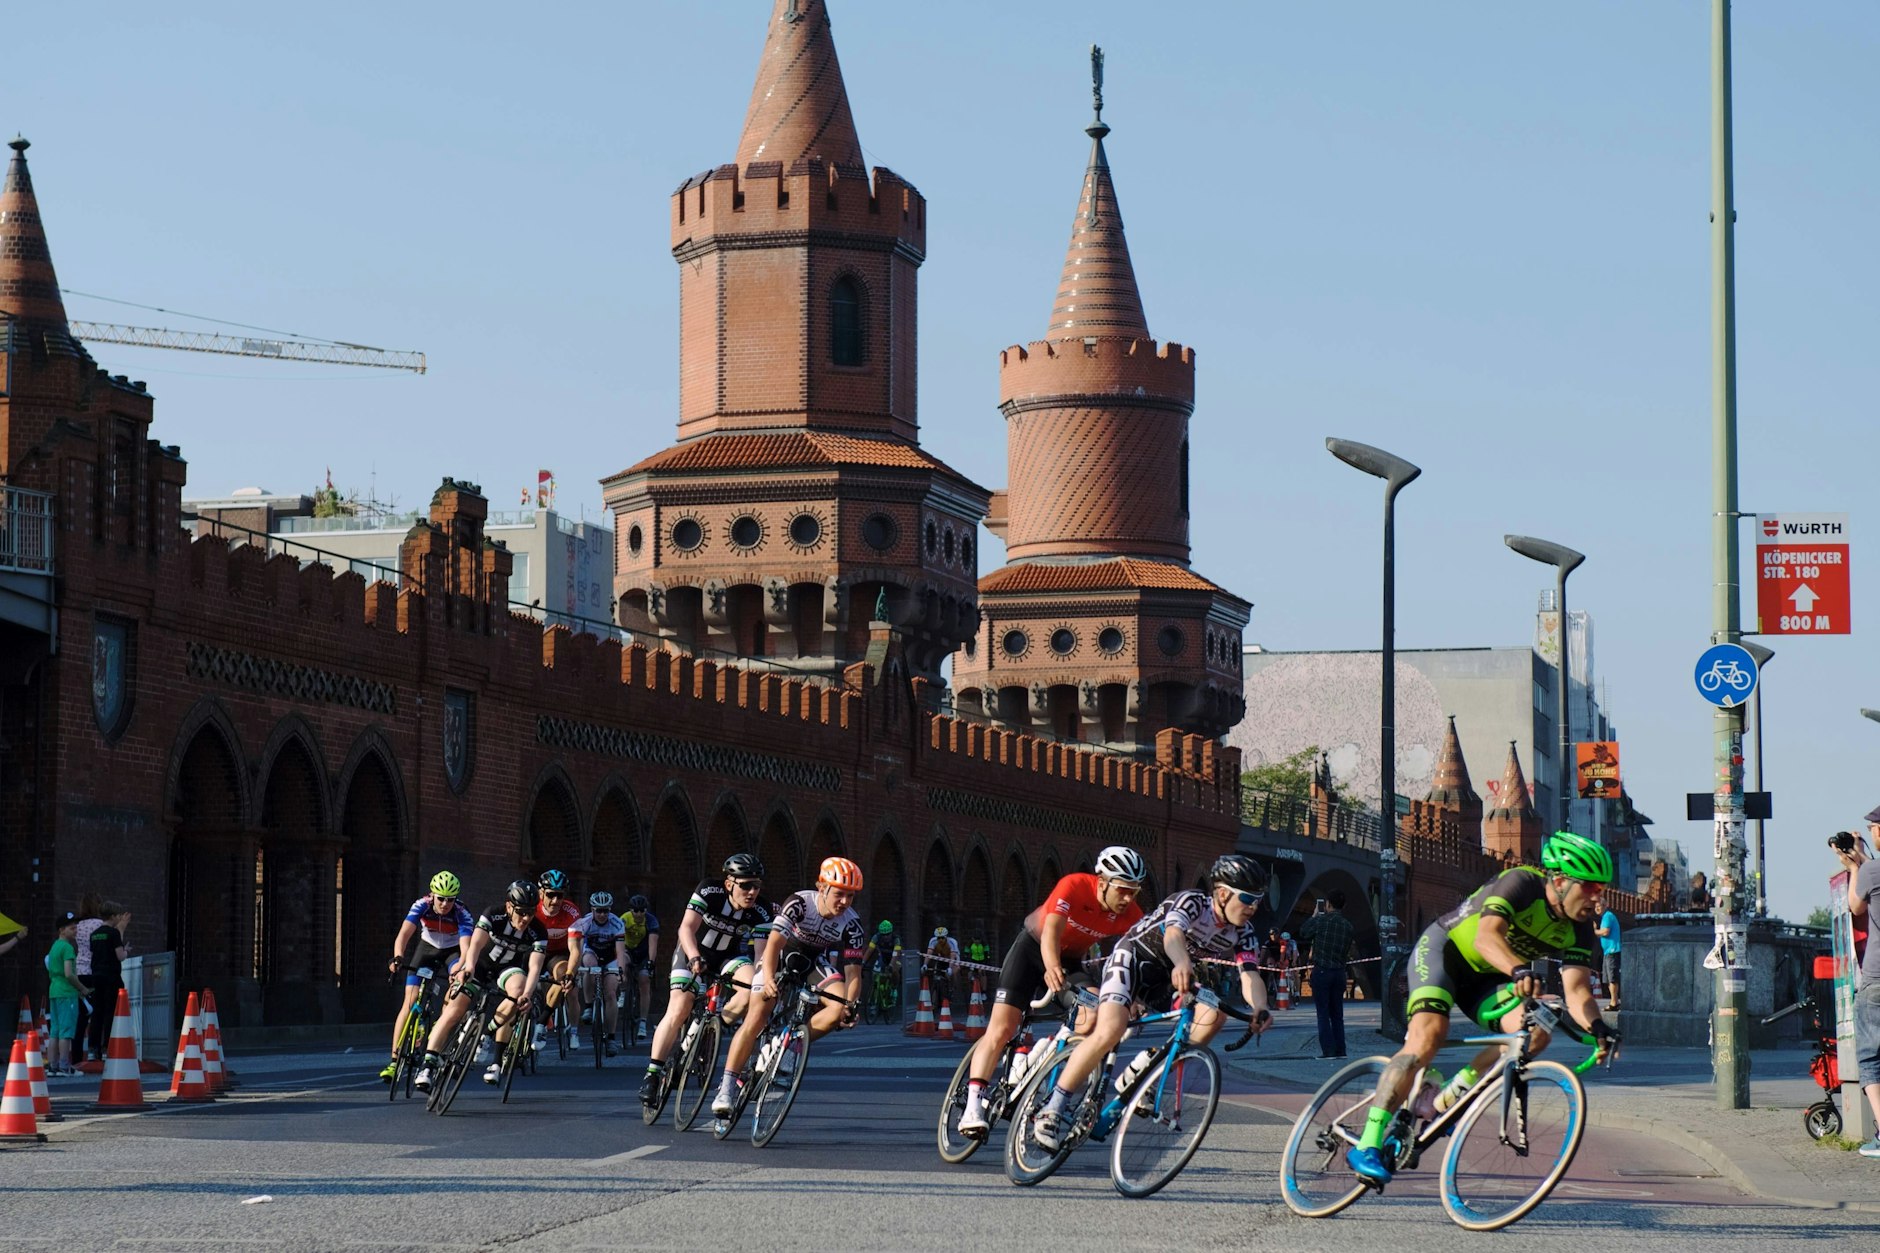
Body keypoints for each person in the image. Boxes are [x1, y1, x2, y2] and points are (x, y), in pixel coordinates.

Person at [1345, 832, 1621, 1183]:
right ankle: (1367, 1144)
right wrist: (1519, 969)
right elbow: (1486, 937)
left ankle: (1444, 1102)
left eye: (1602, 889)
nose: (1598, 897)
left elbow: (1578, 988)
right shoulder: (1521, 883)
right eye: (1591, 887)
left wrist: (1598, 1027)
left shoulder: (1579, 928)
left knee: (1534, 1034)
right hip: (1446, 954)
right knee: (1427, 1039)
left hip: (1488, 979)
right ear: (1561, 881)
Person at [1030, 854, 1274, 1152]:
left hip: (1167, 977)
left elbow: (1250, 975)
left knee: (1213, 1016)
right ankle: (1052, 1109)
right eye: (1248, 898)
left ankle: (1150, 1068)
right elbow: (1173, 935)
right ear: (1222, 894)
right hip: (1134, 960)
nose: (1253, 907)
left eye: (1258, 900)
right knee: (1111, 1029)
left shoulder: (1244, 933)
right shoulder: (1193, 903)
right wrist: (1183, 962)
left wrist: (1260, 1007)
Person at [955, 845, 1147, 1140]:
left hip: (1071, 962)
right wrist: (1051, 966)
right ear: (1103, 881)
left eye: (1134, 891)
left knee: (1096, 1014)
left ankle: (1044, 1059)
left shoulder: (1131, 913)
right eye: (1122, 889)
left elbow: (1139, 956)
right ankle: (972, 1108)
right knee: (1002, 1028)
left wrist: (1133, 997)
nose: (1128, 898)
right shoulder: (1074, 886)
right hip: (1034, 949)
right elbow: (1051, 933)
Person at [712, 857, 867, 1119]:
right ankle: (726, 1087)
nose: (844, 902)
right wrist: (769, 978)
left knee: (839, 1009)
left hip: (812, 962)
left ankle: (788, 1045)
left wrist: (851, 1005)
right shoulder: (800, 903)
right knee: (758, 1014)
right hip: (781, 955)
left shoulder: (852, 923)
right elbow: (773, 944)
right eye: (839, 894)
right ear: (822, 887)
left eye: (850, 897)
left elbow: (853, 972)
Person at [641, 853, 771, 1109]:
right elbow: (686, 928)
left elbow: (760, 956)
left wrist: (762, 980)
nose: (752, 892)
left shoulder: (761, 910)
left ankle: (711, 1026)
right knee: (679, 1007)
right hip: (694, 950)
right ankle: (653, 1074)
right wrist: (694, 958)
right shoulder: (709, 890)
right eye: (745, 885)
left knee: (749, 991)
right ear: (729, 883)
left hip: (729, 958)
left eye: (756, 885)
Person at [414, 880, 548, 1092]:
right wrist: (467, 968)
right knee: (455, 1009)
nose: (525, 918)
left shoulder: (538, 931)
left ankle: (486, 1033)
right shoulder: (493, 914)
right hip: (480, 965)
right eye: (521, 912)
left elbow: (534, 967)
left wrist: (528, 995)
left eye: (530, 913)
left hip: (508, 970)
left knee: (520, 991)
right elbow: (475, 945)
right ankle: (428, 1066)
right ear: (509, 906)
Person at [380, 871, 475, 1082]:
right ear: (432, 895)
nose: (445, 903)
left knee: (455, 988)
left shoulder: (461, 912)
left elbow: (466, 948)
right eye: (441, 898)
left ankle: (440, 1027)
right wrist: (397, 958)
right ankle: (394, 1062)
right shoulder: (421, 905)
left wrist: (460, 970)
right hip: (428, 948)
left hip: (452, 952)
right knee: (410, 1001)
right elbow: (404, 935)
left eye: (450, 899)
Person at [1832, 816, 1880, 1159]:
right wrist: (1860, 858)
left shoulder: (1870, 873)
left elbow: (1855, 905)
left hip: (1877, 978)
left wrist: (1852, 867)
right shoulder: (1873, 870)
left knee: (1871, 1056)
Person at [568, 891, 629, 1056]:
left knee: (610, 994)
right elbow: (578, 950)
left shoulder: (617, 924)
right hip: (591, 952)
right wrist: (576, 969)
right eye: (598, 910)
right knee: (589, 965)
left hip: (611, 957)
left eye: (605, 911)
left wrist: (620, 971)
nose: (602, 914)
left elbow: (620, 951)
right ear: (592, 910)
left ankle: (611, 1038)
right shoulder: (584, 923)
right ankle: (588, 1006)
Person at [1298, 890, 1355, 1059]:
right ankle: (1340, 1050)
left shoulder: (1322, 921)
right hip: (1339, 972)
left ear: (1328, 904)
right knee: (1337, 1014)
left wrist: (1315, 916)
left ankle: (1328, 1051)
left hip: (1322, 970)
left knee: (1323, 1013)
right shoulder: (1348, 926)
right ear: (1343, 906)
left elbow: (1304, 932)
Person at [532, 869, 582, 1049]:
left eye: (559, 896)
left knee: (564, 978)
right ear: (541, 893)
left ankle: (542, 1024)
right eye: (551, 895)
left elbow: (575, 949)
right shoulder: (532, 908)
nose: (555, 901)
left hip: (559, 954)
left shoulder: (571, 912)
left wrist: (570, 973)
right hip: (533, 950)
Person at [43, 911, 88, 1076]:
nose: (75, 930)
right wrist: (82, 988)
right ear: (62, 930)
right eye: (72, 928)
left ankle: (53, 1066)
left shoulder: (55, 946)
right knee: (66, 1031)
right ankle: (64, 1066)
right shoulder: (68, 948)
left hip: (54, 991)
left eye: (75, 927)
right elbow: (69, 974)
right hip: (67, 992)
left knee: (55, 1030)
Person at [85, 903, 132, 1062]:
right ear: (112, 917)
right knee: (110, 1012)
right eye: (118, 916)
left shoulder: (94, 934)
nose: (119, 918)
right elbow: (120, 956)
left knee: (97, 1012)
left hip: (96, 976)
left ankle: (92, 1049)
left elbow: (95, 953)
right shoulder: (113, 933)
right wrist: (126, 951)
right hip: (111, 977)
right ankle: (107, 1048)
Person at [622, 894, 661, 1042]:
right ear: (631, 910)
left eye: (641, 911)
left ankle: (643, 1022)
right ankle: (624, 991)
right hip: (628, 950)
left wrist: (651, 961)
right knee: (623, 962)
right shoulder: (624, 919)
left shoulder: (651, 921)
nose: (638, 914)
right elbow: (618, 940)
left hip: (644, 953)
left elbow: (653, 943)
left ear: (646, 910)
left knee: (644, 981)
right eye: (635, 911)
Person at [72, 894, 104, 1063]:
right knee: (98, 1013)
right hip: (94, 970)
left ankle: (76, 1055)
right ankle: (94, 1050)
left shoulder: (77, 926)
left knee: (81, 1016)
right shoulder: (99, 925)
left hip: (79, 970)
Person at [922, 925, 961, 1014]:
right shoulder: (933, 941)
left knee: (953, 972)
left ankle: (952, 988)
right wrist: (925, 965)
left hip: (953, 958)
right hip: (941, 958)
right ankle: (935, 1000)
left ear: (946, 937)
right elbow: (929, 954)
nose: (940, 940)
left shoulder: (952, 942)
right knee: (936, 974)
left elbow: (952, 955)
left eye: (942, 938)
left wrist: (950, 968)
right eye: (938, 938)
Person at [1594, 902, 1622, 1011]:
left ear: (1605, 906)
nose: (1597, 908)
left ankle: (1614, 1002)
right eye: (1595, 907)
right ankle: (1613, 1001)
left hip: (1612, 950)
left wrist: (1594, 931)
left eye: (1599, 906)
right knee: (1608, 978)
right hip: (1607, 952)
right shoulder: (1605, 917)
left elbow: (1605, 932)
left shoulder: (1607, 916)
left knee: (1612, 977)